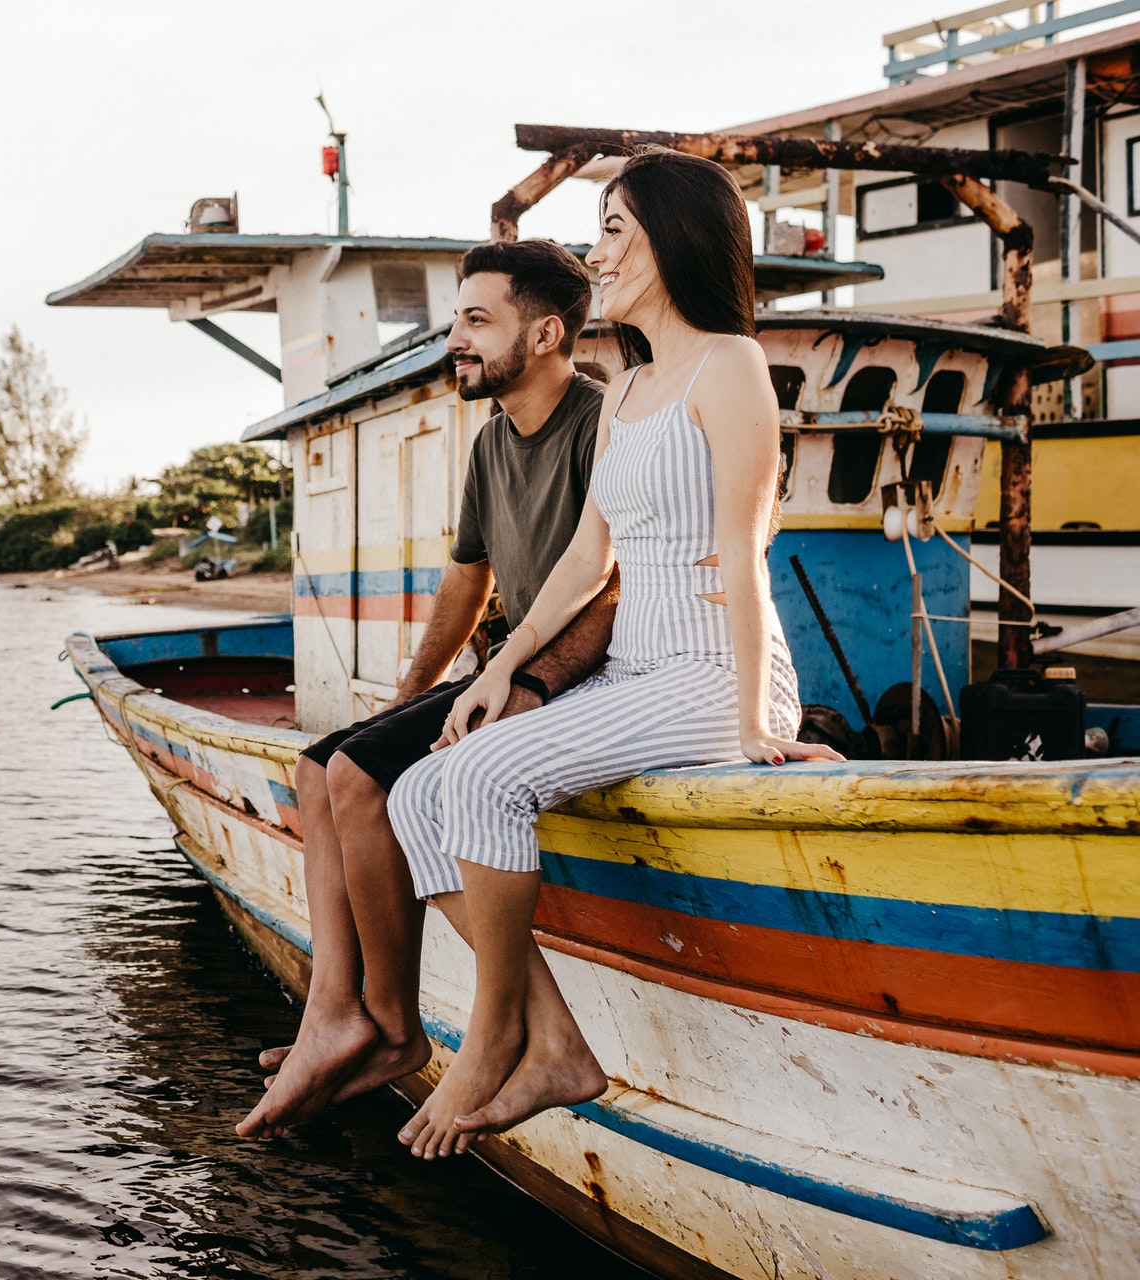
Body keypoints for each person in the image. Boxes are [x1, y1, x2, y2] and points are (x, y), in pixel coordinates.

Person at [384, 148, 846, 1161]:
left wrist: (764, 723)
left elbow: (742, 547)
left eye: (615, 232)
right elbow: (590, 555)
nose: (601, 255)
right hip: (637, 670)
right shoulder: (627, 387)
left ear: (672, 241)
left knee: (488, 778)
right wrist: (503, 667)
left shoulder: (730, 368)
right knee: (421, 791)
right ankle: (551, 1038)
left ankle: (494, 1031)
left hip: (714, 672)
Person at [236, 239, 620, 1140]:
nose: (457, 338)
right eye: (458, 319)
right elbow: (467, 581)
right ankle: (336, 1008)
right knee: (317, 765)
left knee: (365, 779)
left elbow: (611, 582)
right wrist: (410, 696)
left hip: (569, 676)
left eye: (477, 320)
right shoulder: (493, 439)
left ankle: (395, 1024)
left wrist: (520, 682)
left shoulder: (600, 424)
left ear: (546, 334)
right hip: (500, 665)